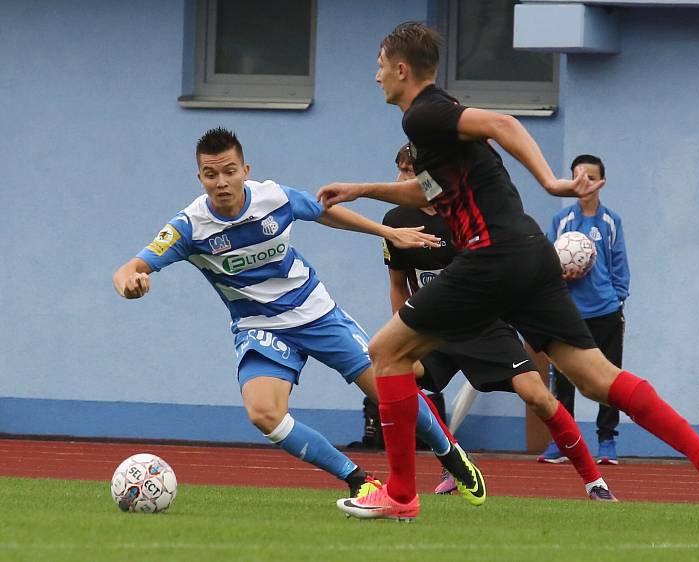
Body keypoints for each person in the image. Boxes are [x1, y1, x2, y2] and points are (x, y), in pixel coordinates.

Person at [317, 22, 699, 527]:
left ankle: (400, 494)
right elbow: (432, 191)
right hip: (530, 254)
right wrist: (363, 189)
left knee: (384, 353)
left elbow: (503, 123)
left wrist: (550, 182)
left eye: (379, 65)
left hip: (491, 256)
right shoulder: (434, 125)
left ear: (401, 69)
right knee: (596, 378)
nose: (375, 77)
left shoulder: (425, 114)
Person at [112, 127, 485, 504]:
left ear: (245, 169)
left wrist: (387, 232)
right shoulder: (189, 227)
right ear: (200, 178)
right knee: (263, 413)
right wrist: (131, 284)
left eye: (229, 171)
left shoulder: (272, 196)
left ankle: (452, 456)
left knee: (390, 389)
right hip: (259, 327)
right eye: (211, 174)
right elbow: (129, 269)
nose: (221, 182)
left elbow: (325, 213)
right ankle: (358, 480)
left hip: (315, 312)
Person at [382, 143, 617, 501]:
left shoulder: (464, 213)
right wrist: (402, 335)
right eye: (399, 172)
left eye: (410, 174)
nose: (401, 180)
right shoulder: (395, 221)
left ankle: (594, 481)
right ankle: (453, 458)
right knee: (393, 375)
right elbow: (399, 286)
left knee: (537, 395)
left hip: (483, 324)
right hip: (434, 327)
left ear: (428, 179)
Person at [538, 154, 629, 465]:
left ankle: (607, 440)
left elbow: (619, 266)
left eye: (590, 177)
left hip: (605, 312)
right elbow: (548, 264)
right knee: (563, 379)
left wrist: (617, 299)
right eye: (577, 177)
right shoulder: (561, 221)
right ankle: (563, 441)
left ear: (601, 182)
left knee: (609, 378)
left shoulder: (611, 221)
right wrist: (560, 275)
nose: (583, 183)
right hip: (569, 313)